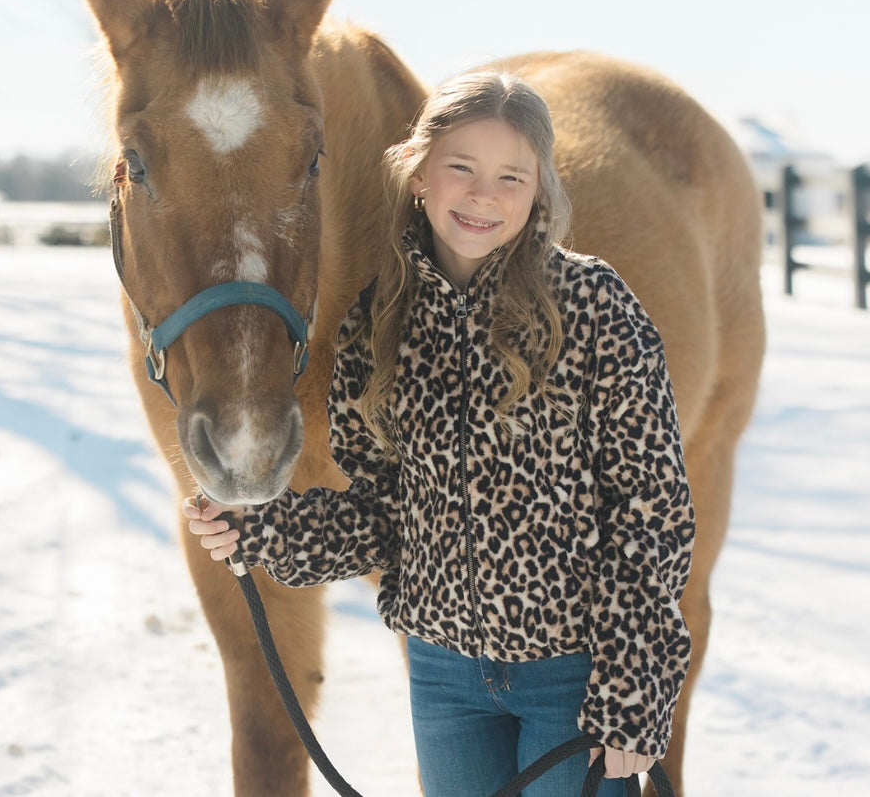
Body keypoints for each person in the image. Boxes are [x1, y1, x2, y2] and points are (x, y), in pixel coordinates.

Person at [183, 71, 694, 796]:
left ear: (538, 191)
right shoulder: (378, 321)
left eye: (511, 176)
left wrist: (631, 691)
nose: (484, 195)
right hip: (445, 674)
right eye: (462, 168)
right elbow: (379, 514)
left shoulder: (592, 308)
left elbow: (651, 512)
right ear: (419, 174)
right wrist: (261, 531)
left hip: (572, 676)